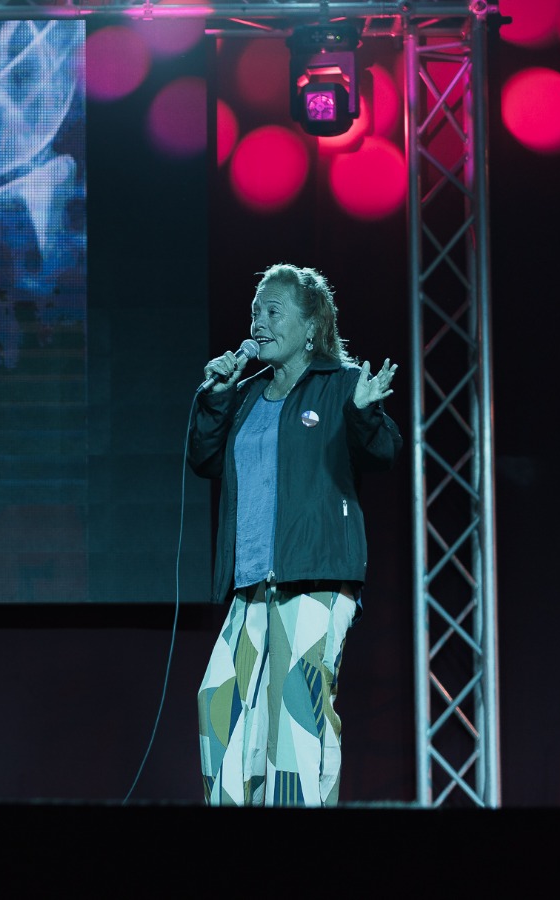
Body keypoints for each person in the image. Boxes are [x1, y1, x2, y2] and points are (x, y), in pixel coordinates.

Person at [189, 263, 401, 806]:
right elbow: (204, 460)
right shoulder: (244, 396)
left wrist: (363, 414)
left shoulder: (342, 385)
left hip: (316, 576)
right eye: (255, 310)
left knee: (295, 712)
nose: (259, 321)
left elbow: (384, 451)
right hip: (252, 581)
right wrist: (214, 396)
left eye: (273, 310)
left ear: (310, 326)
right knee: (221, 701)